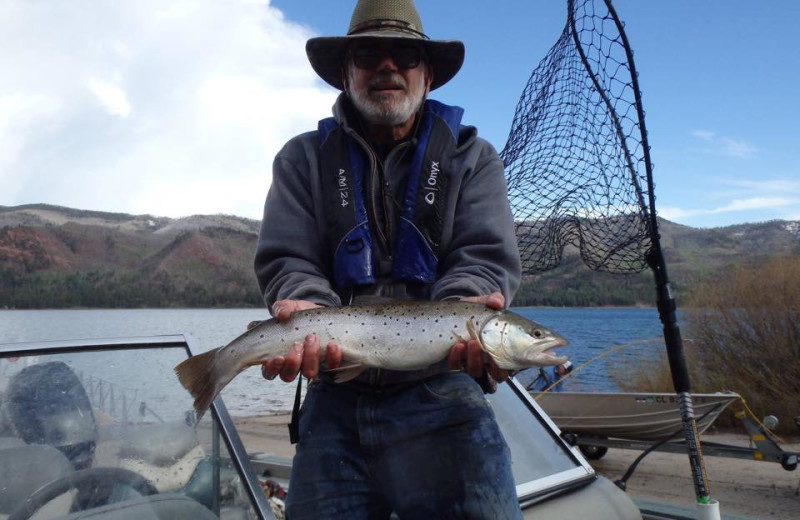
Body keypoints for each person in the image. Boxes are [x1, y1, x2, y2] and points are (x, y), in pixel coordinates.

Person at [253, 0, 522, 517]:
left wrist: (469, 300)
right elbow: (289, 261)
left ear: (429, 74)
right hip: (333, 404)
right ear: (345, 73)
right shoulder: (300, 158)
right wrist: (303, 304)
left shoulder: (473, 159)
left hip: (443, 395)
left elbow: (483, 259)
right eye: (369, 53)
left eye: (405, 55)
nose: (387, 66)